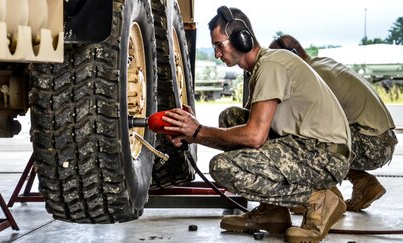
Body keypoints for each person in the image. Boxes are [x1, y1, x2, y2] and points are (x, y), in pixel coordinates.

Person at [161, 6, 351, 243]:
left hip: (324, 155)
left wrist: (197, 131)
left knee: (222, 167)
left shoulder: (272, 65)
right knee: (231, 118)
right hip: (306, 146)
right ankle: (273, 212)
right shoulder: (262, 67)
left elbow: (254, 137)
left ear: (242, 39)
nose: (217, 54)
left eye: (220, 45)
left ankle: (318, 200)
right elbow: (249, 130)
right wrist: (192, 134)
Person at [269, 34, 399, 212]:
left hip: (371, 142)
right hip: (379, 139)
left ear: (291, 56)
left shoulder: (313, 76)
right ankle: (363, 184)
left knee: (301, 138)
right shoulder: (321, 63)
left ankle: (324, 198)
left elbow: (309, 127)